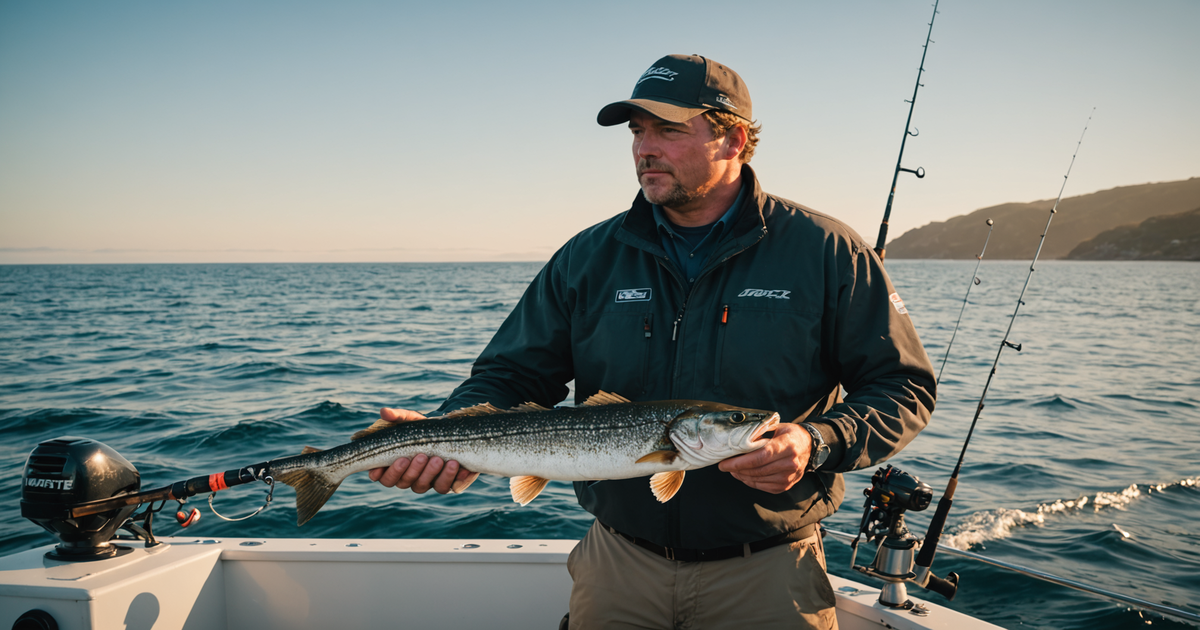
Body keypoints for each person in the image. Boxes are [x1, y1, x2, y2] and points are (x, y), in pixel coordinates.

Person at [369, 54, 936, 629]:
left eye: (668, 129)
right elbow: (511, 376)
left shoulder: (827, 252)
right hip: (618, 564)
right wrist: (445, 432)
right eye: (638, 131)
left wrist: (817, 440)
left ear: (733, 139)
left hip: (768, 572)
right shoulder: (588, 257)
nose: (644, 148)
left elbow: (904, 387)